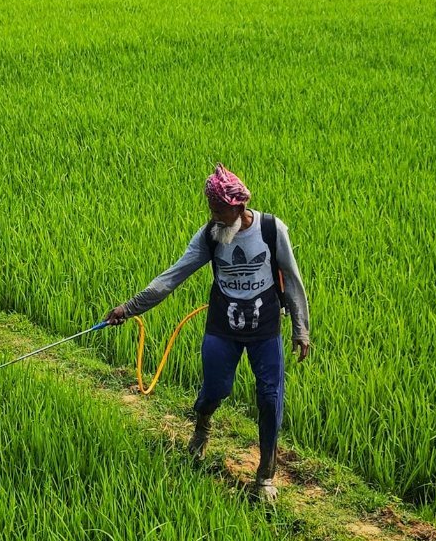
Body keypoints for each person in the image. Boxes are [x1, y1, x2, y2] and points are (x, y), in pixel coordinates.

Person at [105, 164, 311, 502]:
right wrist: (129, 308)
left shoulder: (273, 230)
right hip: (222, 323)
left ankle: (265, 477)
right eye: (211, 210)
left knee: (270, 398)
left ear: (238, 207)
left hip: (265, 327)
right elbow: (172, 276)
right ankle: (202, 426)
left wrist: (301, 330)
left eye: (219, 210)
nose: (214, 217)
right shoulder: (209, 235)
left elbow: (292, 278)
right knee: (216, 389)